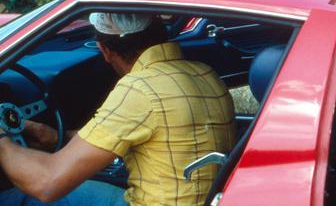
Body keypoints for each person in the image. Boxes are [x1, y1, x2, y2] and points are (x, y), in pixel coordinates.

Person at [0, 13, 236, 205]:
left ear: (105, 50)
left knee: (19, 199)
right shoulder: (205, 73)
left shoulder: (141, 88)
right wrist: (52, 137)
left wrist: (3, 140)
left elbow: (46, 183)